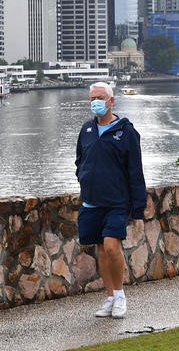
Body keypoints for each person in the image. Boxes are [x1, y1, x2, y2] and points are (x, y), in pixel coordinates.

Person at [75, 81, 147, 319]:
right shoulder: (86, 130)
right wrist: (84, 179)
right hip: (91, 203)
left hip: (117, 203)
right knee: (101, 250)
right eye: (92, 98)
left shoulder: (126, 132)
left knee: (111, 246)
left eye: (100, 98)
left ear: (111, 101)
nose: (95, 102)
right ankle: (109, 297)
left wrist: (138, 211)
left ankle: (120, 295)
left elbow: (136, 173)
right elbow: (80, 161)